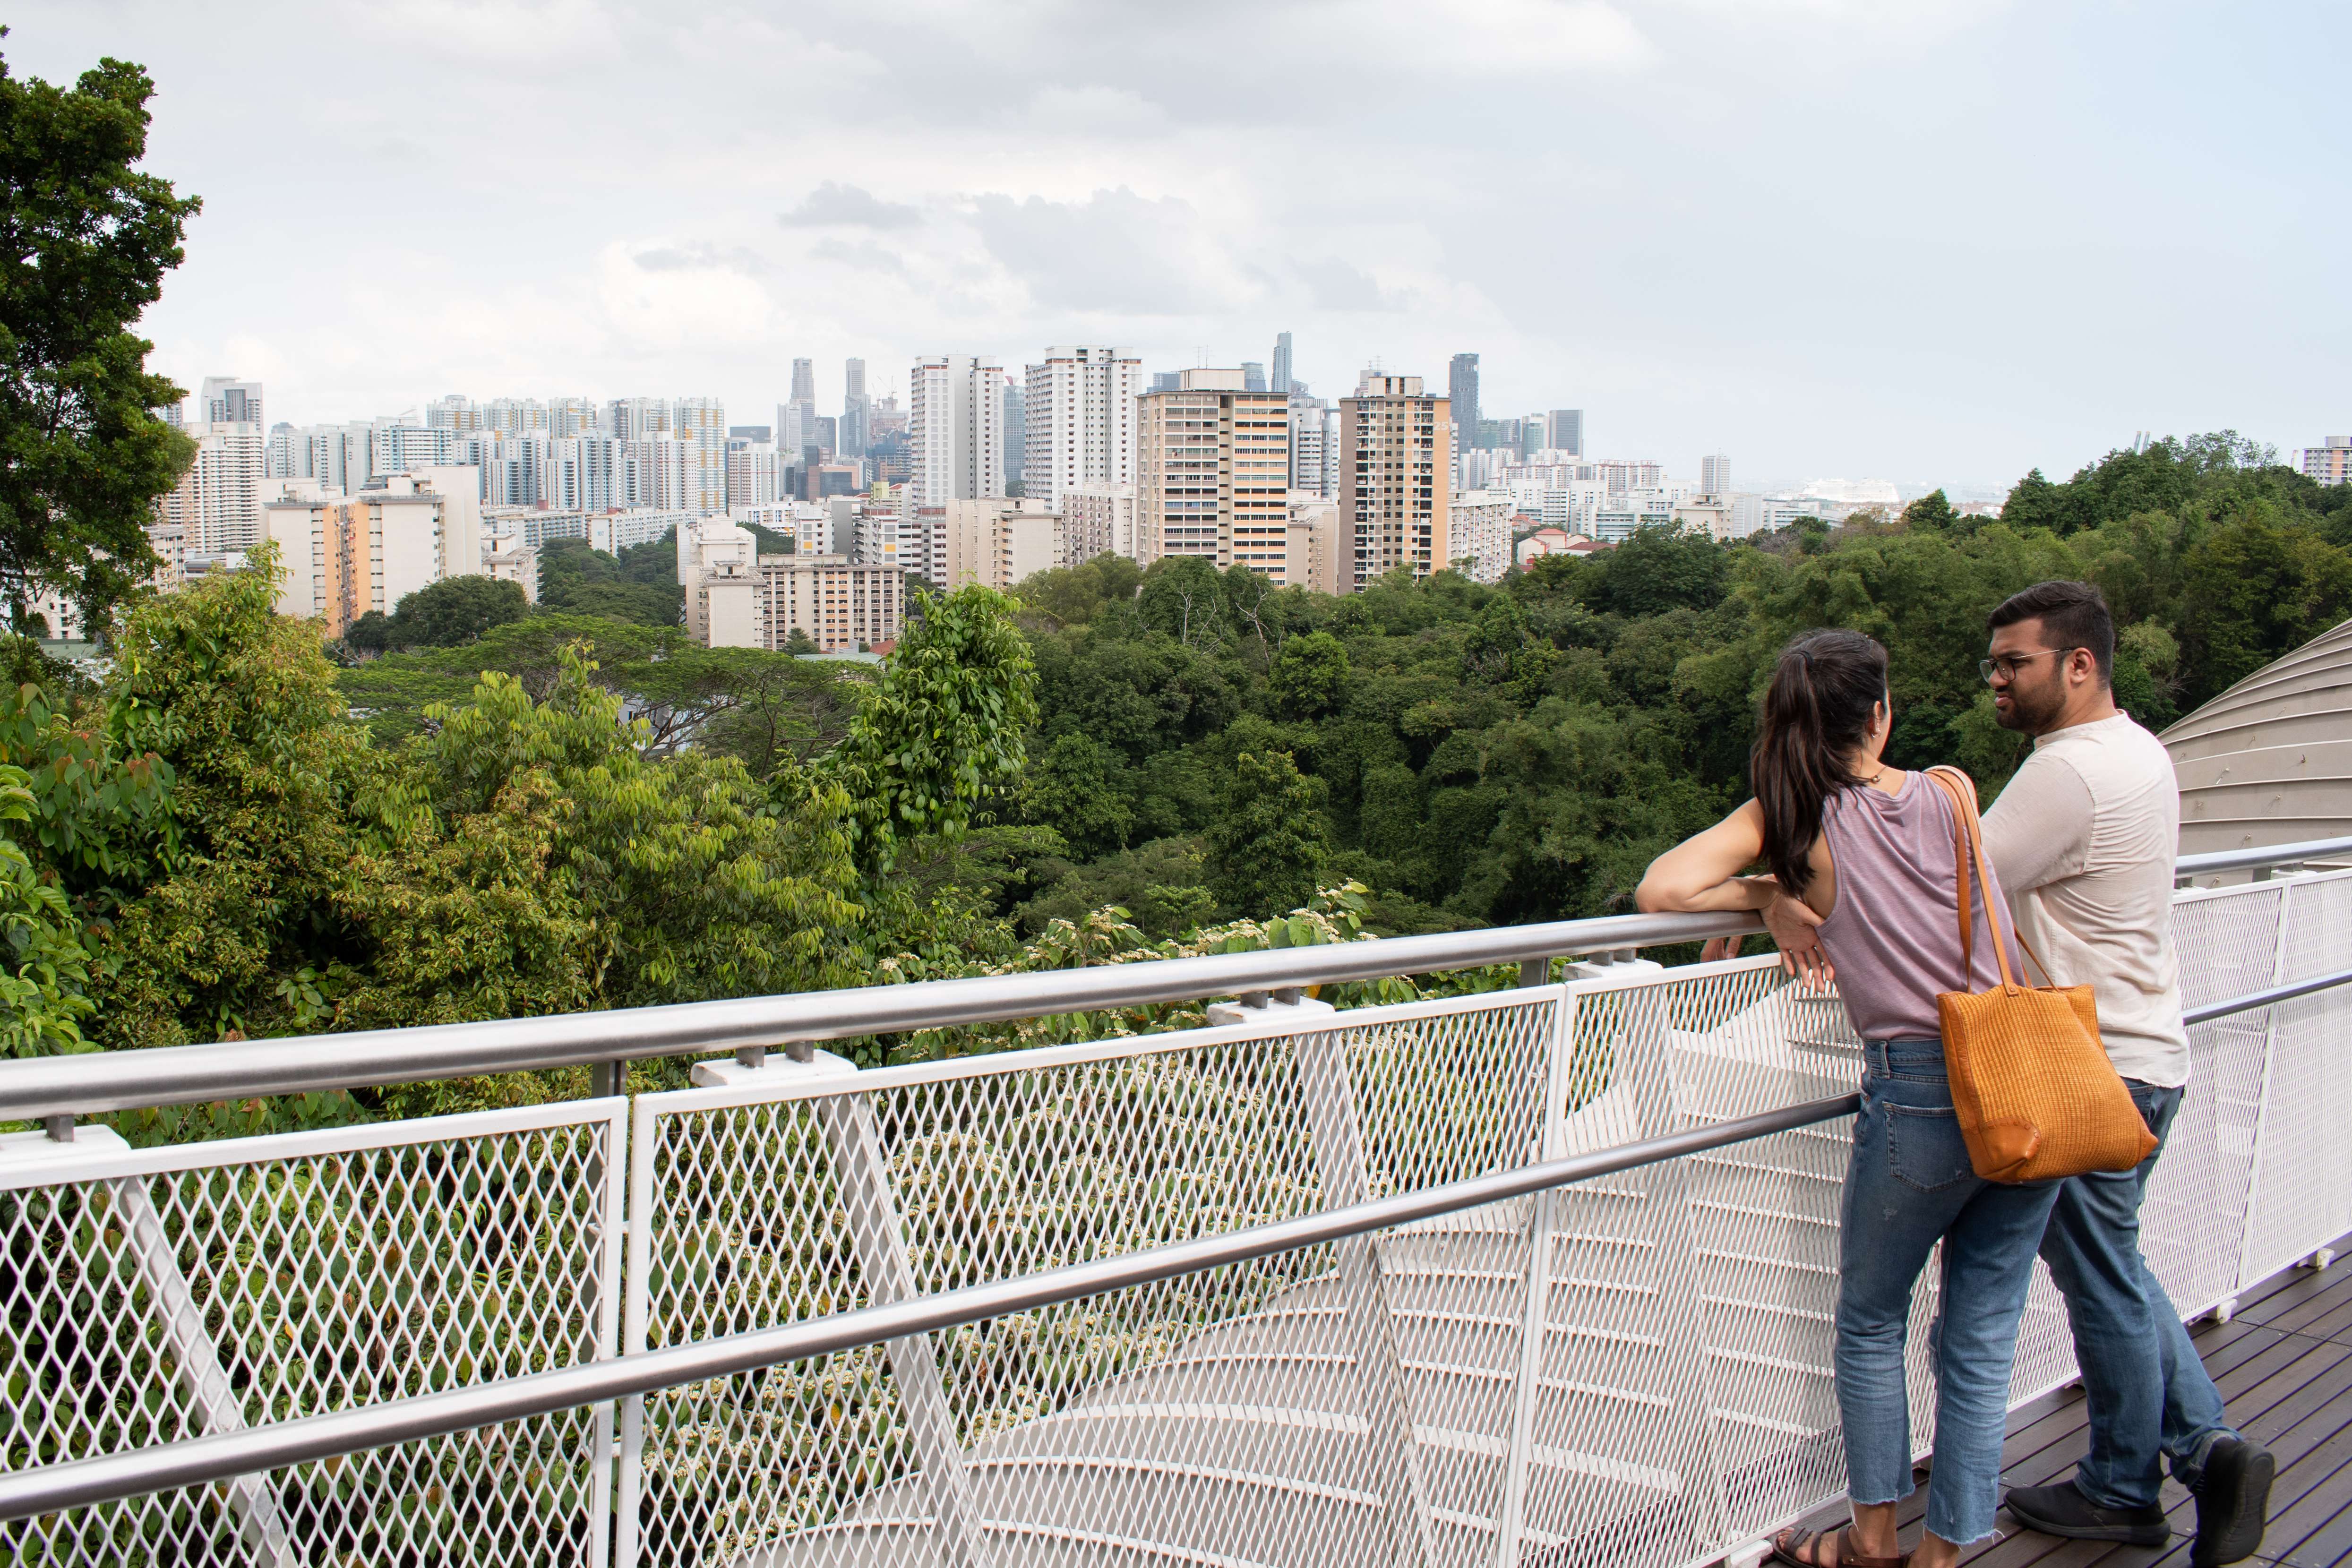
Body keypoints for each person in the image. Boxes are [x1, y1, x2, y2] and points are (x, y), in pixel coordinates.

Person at [1638, 629, 2060, 1568]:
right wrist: (1776, 888)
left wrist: (1766, 893)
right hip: (2018, 1080)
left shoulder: (1791, 818)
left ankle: (1871, 1544)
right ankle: (1943, 1555)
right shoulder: (1949, 790)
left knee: (1872, 1319)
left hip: (1916, 1088)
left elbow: (1661, 887)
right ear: (1879, 714)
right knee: (1980, 1334)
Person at [1976, 582, 2269, 1567]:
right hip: (2145, 1050)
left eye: (2013, 663)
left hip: (2088, 1062)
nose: (1995, 682)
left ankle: (2121, 1487)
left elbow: (1956, 883)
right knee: (2116, 1268)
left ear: (2077, 664)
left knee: (2101, 1281)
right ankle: (2206, 1447)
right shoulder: (2140, 750)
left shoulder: (2069, 770)